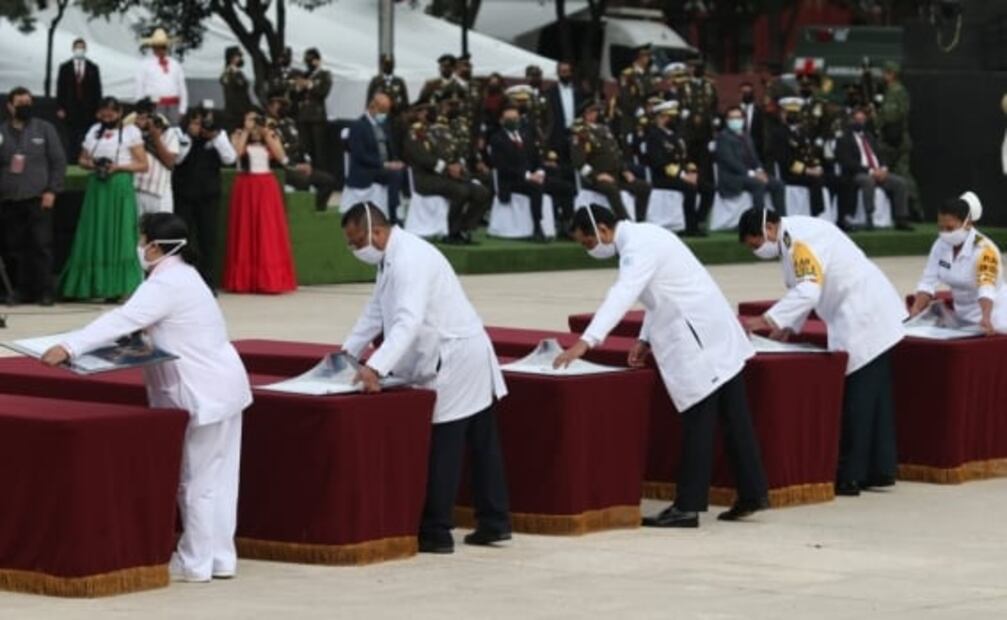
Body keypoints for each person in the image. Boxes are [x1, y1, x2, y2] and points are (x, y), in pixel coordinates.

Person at [42, 213, 253, 583]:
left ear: (155, 246)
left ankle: (195, 562)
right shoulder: (187, 276)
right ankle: (220, 558)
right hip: (224, 385)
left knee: (196, 479)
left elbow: (122, 319)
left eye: (142, 240)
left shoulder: (166, 283)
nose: (139, 247)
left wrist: (68, 345)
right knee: (220, 477)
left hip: (200, 389)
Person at [554, 205, 769, 527]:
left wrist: (587, 340)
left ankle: (688, 506)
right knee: (733, 417)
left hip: (699, 339)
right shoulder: (647, 236)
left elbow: (624, 293)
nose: (590, 249)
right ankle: (753, 493)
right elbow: (658, 294)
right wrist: (645, 339)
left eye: (587, 242)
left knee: (700, 419)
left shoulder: (637, 248)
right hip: (715, 332)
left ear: (602, 229)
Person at [340, 203, 510, 553]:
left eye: (357, 242)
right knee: (481, 441)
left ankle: (436, 531)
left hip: (455, 356)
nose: (355, 250)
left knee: (446, 443)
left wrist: (375, 367)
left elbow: (408, 320)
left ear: (376, 231)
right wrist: (345, 355)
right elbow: (375, 311)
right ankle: (494, 521)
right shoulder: (391, 258)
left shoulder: (409, 260)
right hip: (460, 350)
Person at [738, 207, 906, 496]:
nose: (757, 250)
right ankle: (879, 469)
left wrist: (763, 321)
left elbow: (807, 291)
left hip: (862, 313)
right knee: (875, 396)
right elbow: (801, 287)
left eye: (755, 244)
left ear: (767, 230)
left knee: (859, 398)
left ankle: (850, 475)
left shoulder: (798, 242)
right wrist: (787, 326)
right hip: (867, 310)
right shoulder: (795, 235)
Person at [61, 97, 148, 301]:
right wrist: (93, 165)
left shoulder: (130, 132)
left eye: (112, 114)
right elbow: (81, 160)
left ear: (120, 113)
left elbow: (143, 164)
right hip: (97, 186)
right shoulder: (93, 131)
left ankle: (122, 287)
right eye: (104, 114)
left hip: (119, 185)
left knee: (120, 234)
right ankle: (92, 285)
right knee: (94, 232)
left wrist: (118, 167)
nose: (108, 117)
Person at [0, 86, 67, 306]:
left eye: (28, 104)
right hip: (10, 199)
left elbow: (58, 162)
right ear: (10, 106)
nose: (25, 108)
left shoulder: (44, 128)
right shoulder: (2, 132)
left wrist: (52, 190)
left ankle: (45, 291)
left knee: (41, 246)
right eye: (20, 104)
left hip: (39, 197)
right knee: (14, 248)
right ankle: (21, 290)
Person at [909, 192, 1007, 334]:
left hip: (994, 315)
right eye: (940, 228)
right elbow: (928, 281)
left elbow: (986, 288)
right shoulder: (940, 245)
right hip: (961, 316)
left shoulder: (985, 250)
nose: (944, 233)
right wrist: (916, 309)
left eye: (949, 228)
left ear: (967, 224)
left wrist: (986, 317)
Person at [222, 110, 297, 294]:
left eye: (256, 119)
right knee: (245, 229)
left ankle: (270, 279)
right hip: (246, 186)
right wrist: (246, 132)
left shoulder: (270, 134)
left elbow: (281, 157)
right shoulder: (238, 135)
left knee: (267, 229)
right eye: (250, 119)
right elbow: (236, 155)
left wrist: (267, 133)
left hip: (265, 186)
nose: (254, 123)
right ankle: (244, 279)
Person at [402, 103, 490, 245]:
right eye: (426, 111)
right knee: (461, 191)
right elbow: (421, 157)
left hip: (448, 177)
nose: (430, 113)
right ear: (420, 114)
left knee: (482, 192)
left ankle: (464, 228)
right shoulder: (415, 132)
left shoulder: (442, 131)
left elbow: (453, 152)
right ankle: (451, 232)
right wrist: (446, 168)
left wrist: (458, 166)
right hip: (426, 179)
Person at [173, 107, 237, 290]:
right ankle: (180, 282)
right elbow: (177, 160)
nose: (201, 127)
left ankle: (207, 282)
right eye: (196, 122)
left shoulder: (219, 136)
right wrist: (190, 137)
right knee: (182, 239)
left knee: (208, 240)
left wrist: (215, 137)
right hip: (184, 194)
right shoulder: (179, 135)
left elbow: (230, 158)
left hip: (208, 195)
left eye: (203, 122)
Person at [571, 102, 651, 221]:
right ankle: (624, 220)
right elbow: (579, 162)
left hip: (616, 174)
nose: (595, 114)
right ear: (584, 114)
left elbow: (616, 154)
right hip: (596, 178)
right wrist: (596, 175)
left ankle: (641, 220)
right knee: (612, 189)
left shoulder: (604, 130)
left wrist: (624, 170)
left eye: (596, 112)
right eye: (591, 112)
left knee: (644, 187)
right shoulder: (581, 133)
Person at [836, 107, 912, 231]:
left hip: (878, 171)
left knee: (900, 183)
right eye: (857, 120)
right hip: (858, 173)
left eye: (862, 120)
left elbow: (880, 155)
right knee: (868, 181)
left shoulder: (869, 137)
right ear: (851, 121)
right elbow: (848, 162)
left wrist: (883, 169)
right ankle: (869, 217)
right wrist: (871, 171)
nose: (860, 122)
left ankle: (901, 218)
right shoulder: (844, 139)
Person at [490, 103, 551, 242]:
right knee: (536, 188)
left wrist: (540, 172)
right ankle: (537, 227)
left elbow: (537, 158)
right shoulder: (497, 139)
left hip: (532, 176)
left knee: (564, 186)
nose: (513, 122)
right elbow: (502, 167)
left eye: (516, 118)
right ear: (502, 121)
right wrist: (528, 176)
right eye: (509, 119)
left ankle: (566, 224)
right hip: (511, 181)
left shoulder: (526, 136)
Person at [266, 95, 336, 212]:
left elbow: (301, 146)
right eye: (277, 104)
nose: (281, 107)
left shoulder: (290, 122)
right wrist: (296, 166)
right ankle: (300, 211)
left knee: (328, 181)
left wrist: (307, 163)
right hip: (282, 168)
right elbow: (279, 155)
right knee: (303, 181)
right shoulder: (268, 126)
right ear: (269, 107)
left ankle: (317, 210)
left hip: (299, 164)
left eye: (283, 104)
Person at [646, 100, 703, 236]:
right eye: (668, 117)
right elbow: (659, 163)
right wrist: (683, 176)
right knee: (690, 188)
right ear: (660, 117)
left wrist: (692, 172)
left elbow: (685, 157)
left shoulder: (675, 135)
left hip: (680, 174)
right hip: (663, 177)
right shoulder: (654, 136)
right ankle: (690, 227)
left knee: (707, 188)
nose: (672, 119)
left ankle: (698, 220)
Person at [346, 94, 407, 223]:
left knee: (402, 170)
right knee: (394, 175)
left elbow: (389, 148)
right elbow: (360, 155)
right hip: (366, 170)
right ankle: (392, 214)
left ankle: (401, 207)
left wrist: (395, 161)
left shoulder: (384, 125)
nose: (385, 115)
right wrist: (384, 164)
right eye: (383, 111)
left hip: (383, 167)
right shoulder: (358, 126)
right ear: (373, 107)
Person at [715, 106, 786, 213]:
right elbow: (730, 162)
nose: (735, 121)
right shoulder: (723, 137)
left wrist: (760, 171)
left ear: (743, 119)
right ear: (727, 120)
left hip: (750, 175)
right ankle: (758, 219)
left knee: (778, 184)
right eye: (732, 118)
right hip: (732, 177)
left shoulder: (746, 136)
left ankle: (782, 219)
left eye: (738, 117)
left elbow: (754, 158)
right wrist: (753, 174)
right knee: (758, 184)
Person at [877, 62, 921, 220]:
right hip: (895, 141)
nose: (883, 76)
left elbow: (891, 116)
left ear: (891, 74)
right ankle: (911, 209)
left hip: (896, 142)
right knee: (901, 175)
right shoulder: (892, 90)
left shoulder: (896, 91)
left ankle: (915, 209)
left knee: (903, 175)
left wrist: (876, 117)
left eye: (885, 73)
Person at [770, 97, 826, 216]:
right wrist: (807, 170)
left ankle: (834, 217)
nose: (792, 116)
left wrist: (816, 167)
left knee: (829, 178)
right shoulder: (779, 133)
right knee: (815, 181)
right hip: (790, 172)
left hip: (806, 170)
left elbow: (810, 153)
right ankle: (816, 215)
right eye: (789, 113)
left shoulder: (803, 132)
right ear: (783, 114)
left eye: (795, 113)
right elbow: (785, 159)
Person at [129, 98, 179, 215]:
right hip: (136, 190)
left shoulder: (169, 132)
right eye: (139, 115)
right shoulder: (131, 132)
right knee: (136, 231)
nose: (142, 120)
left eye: (146, 116)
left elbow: (170, 162)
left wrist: (155, 137)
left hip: (160, 193)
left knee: (162, 231)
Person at [55, 38, 102, 162]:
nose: (79, 50)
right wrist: (60, 107)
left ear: (85, 49)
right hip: (70, 108)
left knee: (87, 135)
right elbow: (60, 88)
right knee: (71, 136)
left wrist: (98, 109)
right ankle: (71, 160)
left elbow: (97, 90)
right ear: (73, 49)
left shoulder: (93, 67)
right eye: (77, 47)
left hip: (88, 109)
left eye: (82, 47)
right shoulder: (65, 67)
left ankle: (86, 159)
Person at [135, 28, 188, 124]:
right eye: (157, 46)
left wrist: (182, 109)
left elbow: (182, 87)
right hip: (154, 105)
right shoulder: (145, 64)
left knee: (173, 133)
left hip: (173, 106)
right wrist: (140, 109)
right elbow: (140, 87)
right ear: (153, 47)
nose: (160, 49)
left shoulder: (175, 64)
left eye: (163, 46)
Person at [293, 48, 332, 173]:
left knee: (319, 150)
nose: (308, 63)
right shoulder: (304, 75)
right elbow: (296, 96)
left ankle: (321, 176)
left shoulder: (324, 74)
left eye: (310, 60)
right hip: (303, 116)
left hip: (317, 117)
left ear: (317, 60)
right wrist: (298, 88)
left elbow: (323, 92)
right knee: (306, 149)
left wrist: (310, 85)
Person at [545, 61, 585, 164]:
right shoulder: (551, 92)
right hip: (558, 134)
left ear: (571, 73)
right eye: (562, 72)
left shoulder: (578, 91)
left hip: (575, 132)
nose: (565, 74)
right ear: (558, 73)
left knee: (575, 162)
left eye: (567, 71)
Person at [220, 46, 253, 132]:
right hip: (236, 112)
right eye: (238, 56)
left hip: (244, 109)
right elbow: (233, 92)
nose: (240, 58)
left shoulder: (237, 72)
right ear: (232, 58)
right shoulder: (229, 73)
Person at [738, 81, 766, 163]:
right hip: (739, 150)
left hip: (757, 151)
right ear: (740, 94)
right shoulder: (735, 111)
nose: (746, 94)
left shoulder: (760, 112)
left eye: (749, 92)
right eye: (744, 92)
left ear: (753, 94)